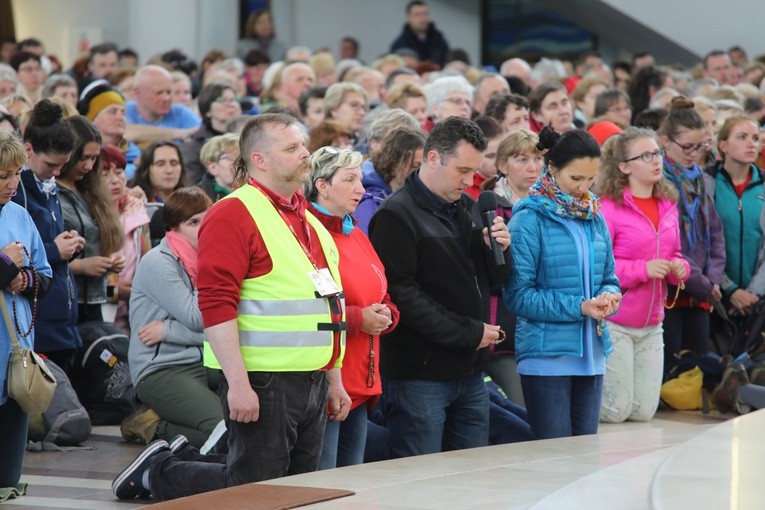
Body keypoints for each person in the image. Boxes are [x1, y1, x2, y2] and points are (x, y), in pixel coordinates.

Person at [112, 113, 350, 501]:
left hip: (311, 376)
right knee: (252, 490)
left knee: (294, 489)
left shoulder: (306, 218)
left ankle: (168, 466)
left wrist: (333, 377)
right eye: (292, 148)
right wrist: (238, 384)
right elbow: (216, 304)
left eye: (302, 145)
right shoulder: (233, 212)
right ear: (260, 159)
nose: (305, 153)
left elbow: (328, 303)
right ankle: (159, 474)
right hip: (264, 377)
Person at [368, 117, 510, 458]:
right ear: (433, 159)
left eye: (474, 171)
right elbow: (405, 297)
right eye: (462, 170)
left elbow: (493, 282)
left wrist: (501, 251)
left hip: (470, 371)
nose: (469, 180)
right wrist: (468, 333)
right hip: (421, 375)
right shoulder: (395, 215)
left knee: (469, 473)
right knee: (421, 477)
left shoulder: (469, 207)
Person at [503, 127, 621, 439]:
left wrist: (610, 294)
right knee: (554, 460)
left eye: (590, 178)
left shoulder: (594, 215)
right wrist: (580, 307)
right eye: (576, 178)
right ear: (552, 169)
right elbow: (518, 296)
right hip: (547, 356)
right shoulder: (528, 219)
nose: (584, 187)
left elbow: (609, 276)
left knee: (584, 460)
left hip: (592, 352)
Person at [303, 147, 400, 469]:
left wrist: (387, 313)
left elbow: (380, 288)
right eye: (349, 180)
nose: (360, 189)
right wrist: (360, 318)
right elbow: (309, 301)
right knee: (325, 477)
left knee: (352, 477)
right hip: (330, 375)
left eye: (360, 179)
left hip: (361, 371)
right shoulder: (307, 234)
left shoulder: (355, 231)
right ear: (322, 185)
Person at [596, 127, 690, 423]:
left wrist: (679, 269)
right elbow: (599, 266)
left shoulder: (668, 204)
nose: (656, 161)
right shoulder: (609, 208)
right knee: (615, 411)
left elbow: (676, 253)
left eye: (657, 153)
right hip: (616, 321)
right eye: (645, 155)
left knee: (643, 412)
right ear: (624, 167)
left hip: (653, 323)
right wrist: (643, 269)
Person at [124, 186, 224, 449]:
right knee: (224, 432)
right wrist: (210, 263)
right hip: (162, 368)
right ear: (173, 227)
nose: (204, 228)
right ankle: (155, 427)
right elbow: (199, 318)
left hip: (206, 358)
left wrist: (169, 330)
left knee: (252, 417)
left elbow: (229, 323)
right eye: (193, 222)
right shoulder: (158, 262)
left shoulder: (212, 256)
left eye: (208, 219)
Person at [12, 100, 84, 372]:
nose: (57, 173)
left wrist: (69, 244)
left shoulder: (48, 187)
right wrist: (54, 251)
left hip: (62, 321)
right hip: (34, 322)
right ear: (28, 149)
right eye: (52, 165)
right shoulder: (16, 191)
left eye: (62, 166)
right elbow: (13, 253)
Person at [0, 129, 53, 493]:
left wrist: (25, 280)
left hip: (16, 347)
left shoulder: (19, 214)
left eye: (17, 173)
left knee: (7, 473)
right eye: (3, 175)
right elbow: (7, 264)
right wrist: (5, 264)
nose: (12, 183)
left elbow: (46, 275)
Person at [658, 98, 725, 372]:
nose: (694, 154)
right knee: (672, 370)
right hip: (671, 288)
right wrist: (703, 283)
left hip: (701, 290)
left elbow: (715, 233)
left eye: (700, 146)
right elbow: (668, 243)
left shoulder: (698, 178)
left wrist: (713, 278)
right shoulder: (659, 181)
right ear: (665, 141)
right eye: (687, 147)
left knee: (696, 368)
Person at [482, 129, 544, 405]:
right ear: (503, 164)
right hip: (504, 324)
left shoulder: (548, 205)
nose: (533, 167)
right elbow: (491, 273)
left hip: (540, 322)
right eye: (521, 159)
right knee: (520, 409)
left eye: (537, 159)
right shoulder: (489, 207)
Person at [57, 116, 124, 323]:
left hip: (95, 298)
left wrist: (108, 262)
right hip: (65, 300)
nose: (88, 166)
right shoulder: (51, 193)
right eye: (83, 158)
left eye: (94, 159)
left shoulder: (90, 190)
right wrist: (82, 265)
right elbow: (42, 255)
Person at [707, 115, 765, 317]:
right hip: (715, 293)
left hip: (758, 299)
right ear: (723, 145)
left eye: (756, 138)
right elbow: (702, 243)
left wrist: (752, 294)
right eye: (742, 137)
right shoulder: (707, 183)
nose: (751, 144)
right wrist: (730, 290)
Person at [100, 145, 150, 332]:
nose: (115, 180)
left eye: (119, 172)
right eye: (104, 175)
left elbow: (148, 259)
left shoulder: (136, 208)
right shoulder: (85, 217)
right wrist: (114, 292)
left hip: (134, 318)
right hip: (98, 318)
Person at [356, 127, 425, 234]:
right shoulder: (370, 205)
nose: (420, 173)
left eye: (425, 166)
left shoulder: (420, 199)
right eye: (414, 166)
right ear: (393, 164)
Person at [179, 83, 241, 184]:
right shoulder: (193, 146)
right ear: (207, 110)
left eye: (233, 100)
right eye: (222, 100)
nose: (230, 104)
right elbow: (192, 185)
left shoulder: (247, 138)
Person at [78, 80, 141, 180]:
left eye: (123, 113)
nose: (120, 117)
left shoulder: (135, 153)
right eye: (112, 112)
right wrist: (135, 169)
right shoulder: (80, 153)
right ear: (92, 119)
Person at [124, 65, 200, 145]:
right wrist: (179, 134)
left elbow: (201, 133)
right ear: (137, 92)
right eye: (159, 93)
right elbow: (127, 132)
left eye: (169, 92)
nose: (166, 98)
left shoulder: (180, 112)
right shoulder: (125, 110)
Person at [389, 1, 449, 68]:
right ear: (408, 17)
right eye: (417, 15)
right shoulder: (400, 45)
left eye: (425, 14)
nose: (422, 18)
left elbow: (448, 61)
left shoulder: (439, 40)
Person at [196, 133, 240, 202]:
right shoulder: (198, 199)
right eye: (232, 157)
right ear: (213, 168)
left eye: (240, 156)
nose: (239, 162)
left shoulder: (255, 189)